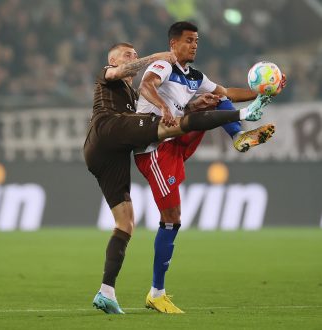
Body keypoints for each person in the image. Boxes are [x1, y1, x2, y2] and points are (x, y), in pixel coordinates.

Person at [84, 42, 272, 314]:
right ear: (112, 61)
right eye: (128, 55)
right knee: (171, 126)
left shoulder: (134, 95)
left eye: (135, 54)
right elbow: (122, 72)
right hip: (107, 131)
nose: (133, 58)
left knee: (125, 224)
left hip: (108, 156)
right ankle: (240, 119)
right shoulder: (108, 75)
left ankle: (106, 292)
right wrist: (155, 57)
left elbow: (218, 93)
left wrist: (197, 103)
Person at [133, 21, 287, 313]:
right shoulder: (165, 66)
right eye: (189, 40)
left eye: (197, 40)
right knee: (172, 216)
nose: (194, 45)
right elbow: (146, 85)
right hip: (154, 147)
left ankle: (239, 136)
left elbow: (228, 91)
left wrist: (264, 94)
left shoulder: (195, 77)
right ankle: (156, 292)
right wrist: (164, 108)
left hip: (176, 139)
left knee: (218, 97)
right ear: (173, 43)